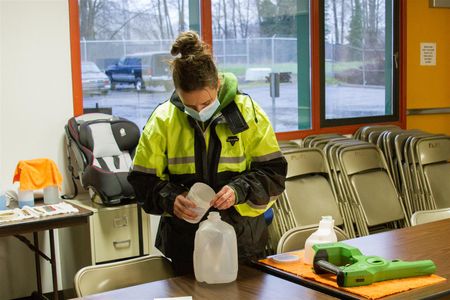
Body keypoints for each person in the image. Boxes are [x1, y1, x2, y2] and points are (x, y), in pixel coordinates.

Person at [128, 31, 287, 275]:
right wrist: (170, 199)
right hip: (184, 247)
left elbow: (273, 174)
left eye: (205, 103)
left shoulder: (248, 113)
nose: (199, 110)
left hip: (243, 242)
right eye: (190, 105)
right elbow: (141, 181)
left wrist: (238, 190)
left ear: (217, 85)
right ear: (178, 92)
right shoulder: (163, 120)